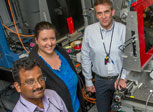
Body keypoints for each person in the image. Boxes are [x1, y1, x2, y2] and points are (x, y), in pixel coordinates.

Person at [81, 0, 129, 111]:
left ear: (112, 12)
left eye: (106, 12)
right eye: (99, 13)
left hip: (120, 79)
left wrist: (123, 77)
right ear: (96, 15)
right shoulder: (89, 31)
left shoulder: (123, 30)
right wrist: (88, 80)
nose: (103, 16)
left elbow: (130, 57)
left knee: (124, 109)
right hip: (100, 81)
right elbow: (85, 57)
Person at [29, 21, 85, 112]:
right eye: (44, 39)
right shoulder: (33, 66)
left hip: (77, 107)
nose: (50, 43)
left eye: (52, 38)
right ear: (36, 40)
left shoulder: (61, 52)